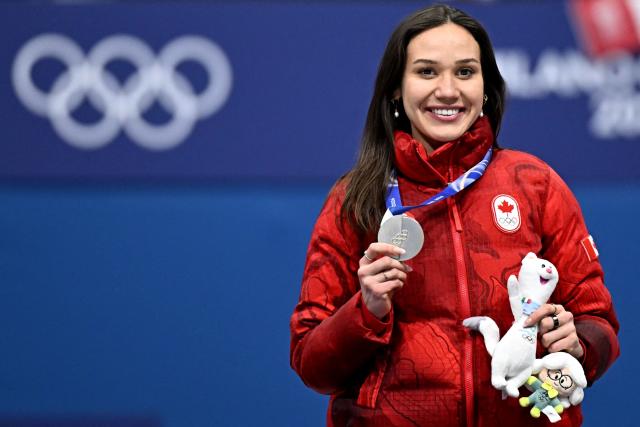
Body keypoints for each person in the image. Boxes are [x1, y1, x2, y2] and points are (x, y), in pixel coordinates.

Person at [289, 4, 619, 426]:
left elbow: (600, 324)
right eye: (426, 72)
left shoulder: (535, 185)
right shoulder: (355, 200)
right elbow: (310, 363)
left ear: (486, 88)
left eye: (465, 72)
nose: (447, 90)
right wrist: (366, 310)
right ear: (395, 88)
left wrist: (578, 345)